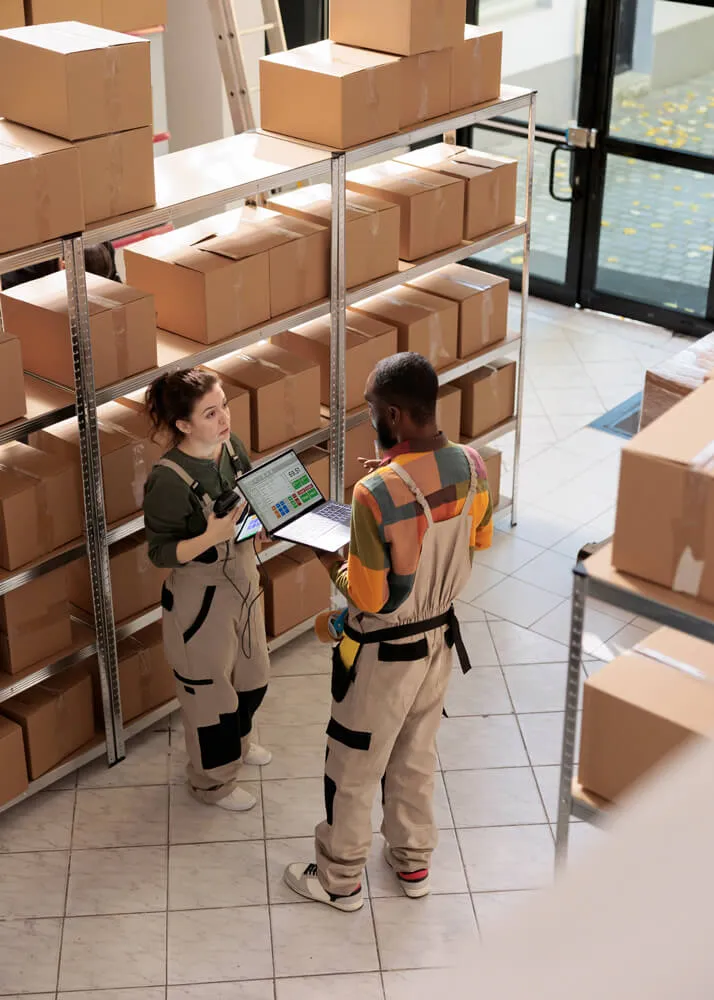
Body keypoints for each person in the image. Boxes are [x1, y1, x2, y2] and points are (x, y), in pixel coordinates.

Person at [284, 352, 494, 910]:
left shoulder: (375, 493)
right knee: (415, 753)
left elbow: (369, 596)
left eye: (374, 409)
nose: (371, 416)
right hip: (438, 643)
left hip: (382, 654)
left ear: (395, 416)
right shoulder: (473, 464)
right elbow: (479, 539)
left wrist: (324, 550)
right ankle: (413, 863)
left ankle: (340, 879)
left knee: (353, 762)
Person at [143, 369, 271, 811]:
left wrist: (257, 529)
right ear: (183, 424)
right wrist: (212, 536)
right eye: (210, 413)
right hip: (200, 598)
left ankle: (241, 742)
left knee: (253, 676)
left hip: (245, 580)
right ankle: (211, 783)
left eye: (225, 406)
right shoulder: (167, 480)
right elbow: (159, 553)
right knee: (210, 697)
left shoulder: (231, 448)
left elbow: (249, 495)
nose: (224, 419)